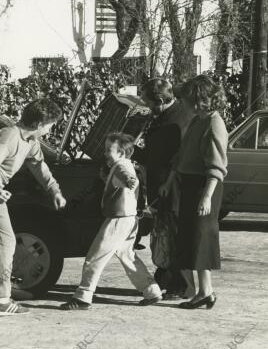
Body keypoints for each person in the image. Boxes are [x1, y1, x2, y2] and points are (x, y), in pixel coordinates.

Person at [0, 99, 67, 316]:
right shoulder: (9, 138)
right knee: (5, 241)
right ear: (40, 123)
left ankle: (3, 293)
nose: (51, 129)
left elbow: (39, 165)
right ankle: (2, 301)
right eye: (50, 125)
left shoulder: (30, 141)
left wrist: (54, 191)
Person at [60, 132, 163, 310]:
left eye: (109, 150)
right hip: (129, 219)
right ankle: (151, 290)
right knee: (127, 256)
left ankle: (83, 296)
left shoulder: (121, 166)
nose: (106, 152)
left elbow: (126, 177)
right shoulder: (124, 164)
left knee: (95, 257)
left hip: (118, 219)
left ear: (122, 153)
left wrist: (130, 181)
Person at [159, 74, 228, 309]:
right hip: (189, 185)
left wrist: (207, 196)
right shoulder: (199, 120)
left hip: (204, 187)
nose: (183, 102)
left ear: (198, 99)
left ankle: (205, 291)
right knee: (192, 239)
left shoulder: (213, 123)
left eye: (187, 97)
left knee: (201, 238)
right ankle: (204, 291)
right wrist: (170, 181)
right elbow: (182, 155)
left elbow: (217, 166)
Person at [133, 78, 194, 298]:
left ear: (159, 99)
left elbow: (163, 156)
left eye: (148, 102)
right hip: (164, 184)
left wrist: (136, 152)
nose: (147, 107)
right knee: (166, 233)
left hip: (173, 186)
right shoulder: (167, 115)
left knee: (173, 234)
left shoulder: (176, 120)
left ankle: (180, 285)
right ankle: (167, 277)